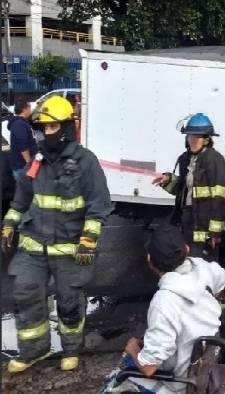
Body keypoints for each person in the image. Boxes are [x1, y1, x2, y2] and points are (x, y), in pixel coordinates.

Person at [1, 95, 112, 373]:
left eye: (52, 128)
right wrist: (9, 224)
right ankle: (33, 351)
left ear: (65, 128)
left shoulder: (85, 162)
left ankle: (71, 349)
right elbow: (22, 198)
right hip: (34, 245)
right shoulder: (37, 161)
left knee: (69, 302)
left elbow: (99, 205)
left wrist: (88, 240)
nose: (46, 133)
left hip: (68, 247)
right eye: (43, 128)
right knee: (25, 294)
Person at [101, 225, 225, 394]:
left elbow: (149, 367)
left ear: (149, 261)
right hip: (207, 369)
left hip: (180, 384)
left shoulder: (164, 301)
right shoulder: (204, 268)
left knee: (115, 382)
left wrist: (132, 348)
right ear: (187, 249)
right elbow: (222, 279)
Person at [152, 113, 225, 259]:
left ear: (207, 139)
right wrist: (168, 180)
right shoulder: (186, 159)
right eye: (190, 136)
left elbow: (220, 199)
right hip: (187, 222)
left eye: (197, 137)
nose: (192, 140)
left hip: (204, 227)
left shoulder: (215, 160)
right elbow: (185, 190)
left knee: (204, 270)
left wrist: (215, 232)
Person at [8, 98, 37, 180]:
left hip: (22, 167)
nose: (31, 110)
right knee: (26, 191)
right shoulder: (20, 124)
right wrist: (29, 165)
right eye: (29, 108)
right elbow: (23, 146)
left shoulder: (21, 123)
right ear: (24, 110)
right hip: (22, 167)